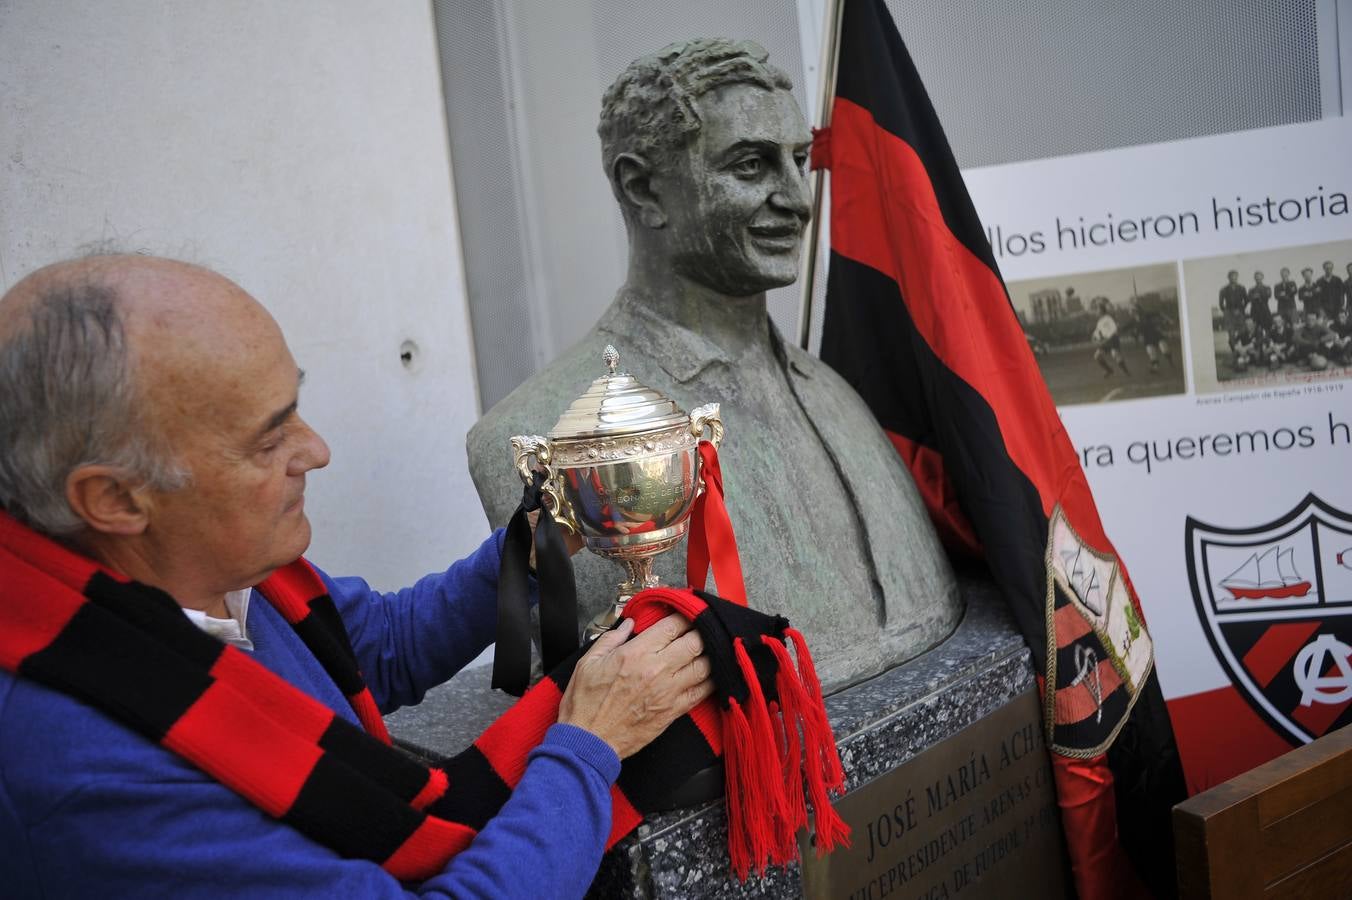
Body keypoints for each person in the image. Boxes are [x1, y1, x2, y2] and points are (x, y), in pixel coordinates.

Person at [0, 255, 714, 898]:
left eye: (295, 410)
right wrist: (587, 747)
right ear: (117, 500)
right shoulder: (93, 777)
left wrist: (536, 547)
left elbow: (376, 646)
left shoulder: (222, 575)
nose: (316, 450)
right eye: (269, 438)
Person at [465, 39, 959, 693]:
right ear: (643, 189)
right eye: (752, 165)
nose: (799, 198)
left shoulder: (838, 397)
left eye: (800, 161)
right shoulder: (536, 435)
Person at [1129, 296, 1173, 373]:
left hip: (1156, 335)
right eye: (1132, 311)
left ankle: (1171, 362)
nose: (1133, 312)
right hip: (1147, 339)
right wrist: (1134, 335)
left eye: (1134, 310)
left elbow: (1159, 313)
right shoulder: (1133, 321)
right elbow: (1127, 330)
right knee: (1151, 353)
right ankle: (1156, 368)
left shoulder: (1146, 315)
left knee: (1165, 350)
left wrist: (1168, 319)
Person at [1091, 297, 1130, 377]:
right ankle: (1109, 370)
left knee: (1115, 354)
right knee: (1097, 356)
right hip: (1105, 340)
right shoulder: (1100, 321)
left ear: (1101, 311)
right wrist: (1095, 336)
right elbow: (1098, 332)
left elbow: (1114, 329)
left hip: (1112, 339)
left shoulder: (1108, 317)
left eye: (1097, 310)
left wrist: (1108, 337)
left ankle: (1126, 372)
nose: (1096, 312)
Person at [1218, 269, 1248, 334]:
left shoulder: (1242, 288)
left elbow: (1246, 300)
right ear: (1228, 278)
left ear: (1237, 277)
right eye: (1231, 276)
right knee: (1231, 332)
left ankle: (1237, 339)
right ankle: (1232, 342)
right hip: (1229, 312)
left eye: (1235, 276)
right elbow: (1221, 303)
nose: (1233, 278)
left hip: (1240, 312)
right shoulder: (1223, 289)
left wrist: (1241, 309)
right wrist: (1226, 311)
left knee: (1242, 332)